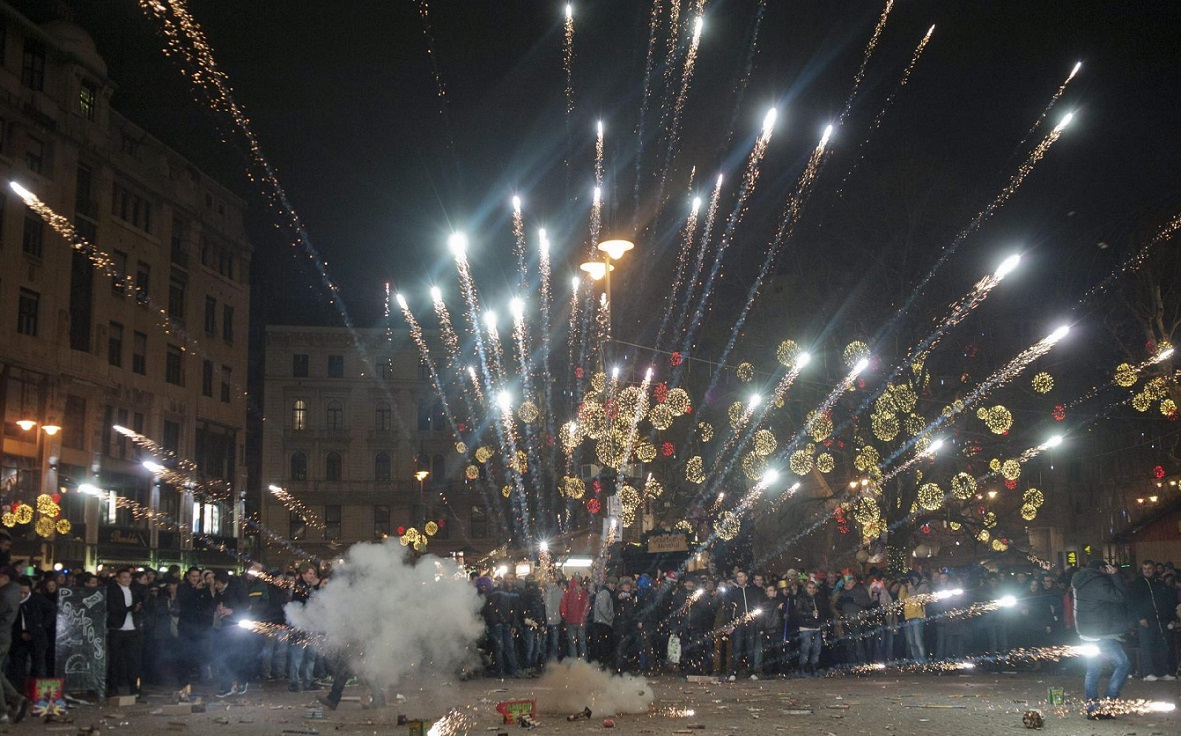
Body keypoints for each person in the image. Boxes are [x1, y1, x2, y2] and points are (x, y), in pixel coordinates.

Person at [1072, 559, 1132, 720]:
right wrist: (1116, 575)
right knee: (1123, 664)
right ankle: (1108, 701)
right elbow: (1120, 596)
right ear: (1101, 569)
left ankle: (1092, 708)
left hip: (1085, 633)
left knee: (1093, 670)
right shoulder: (1098, 582)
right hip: (1100, 634)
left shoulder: (1080, 581)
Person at [1130, 559, 1176, 681]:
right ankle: (1148, 673)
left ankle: (1161, 672)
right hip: (1146, 620)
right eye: (1145, 569)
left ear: (1154, 569)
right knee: (1147, 647)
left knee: (1161, 647)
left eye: (1149, 568)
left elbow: (1166, 601)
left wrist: (1170, 617)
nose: (1147, 571)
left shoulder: (1159, 583)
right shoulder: (1137, 583)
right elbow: (1134, 602)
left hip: (1160, 620)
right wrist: (1140, 617)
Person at [106, 567, 146, 699]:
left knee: (133, 661)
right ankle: (113, 688)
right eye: (124, 577)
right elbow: (112, 607)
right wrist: (130, 609)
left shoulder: (134, 590)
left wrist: (138, 608)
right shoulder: (112, 590)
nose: (127, 580)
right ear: (117, 579)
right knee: (115, 660)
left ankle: (134, 688)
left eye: (129, 577)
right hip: (117, 629)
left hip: (132, 630)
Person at [722, 570, 767, 680]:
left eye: (741, 576)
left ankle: (751, 671)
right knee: (737, 648)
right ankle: (734, 672)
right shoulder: (733, 592)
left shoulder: (753, 590)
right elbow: (729, 609)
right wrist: (730, 624)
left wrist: (758, 622)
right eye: (738, 577)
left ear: (746, 577)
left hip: (751, 623)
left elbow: (758, 606)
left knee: (750, 648)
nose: (739, 578)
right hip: (738, 624)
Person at [0, 567, 30, 723]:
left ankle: (3, 710)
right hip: (5, 635)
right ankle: (16, 700)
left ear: (5, 577)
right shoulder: (15, 592)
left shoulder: (4, 594)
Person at [793, 579, 825, 677]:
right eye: (809, 588)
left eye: (813, 588)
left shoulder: (818, 598)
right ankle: (803, 668)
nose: (812, 590)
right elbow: (798, 612)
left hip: (816, 627)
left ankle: (814, 668)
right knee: (805, 649)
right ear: (806, 589)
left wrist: (823, 627)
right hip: (805, 627)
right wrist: (810, 614)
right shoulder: (801, 598)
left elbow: (822, 614)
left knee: (816, 649)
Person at [559, 574, 589, 660]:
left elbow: (563, 606)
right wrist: (584, 618)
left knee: (572, 643)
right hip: (581, 622)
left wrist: (565, 617)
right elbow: (587, 606)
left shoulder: (568, 592)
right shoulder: (584, 592)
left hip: (570, 621)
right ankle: (584, 662)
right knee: (582, 642)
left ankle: (574, 663)